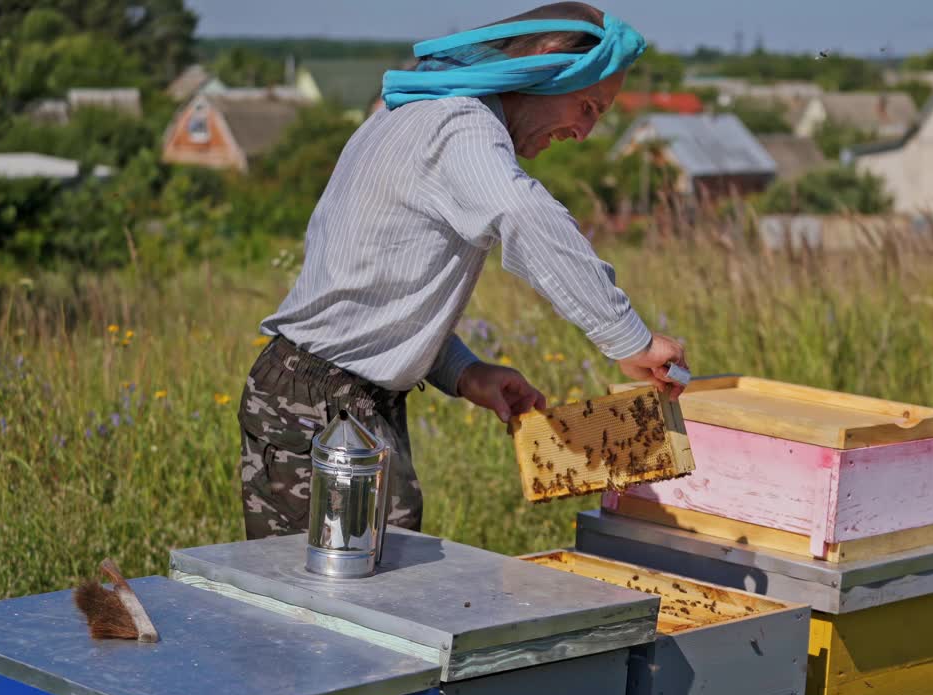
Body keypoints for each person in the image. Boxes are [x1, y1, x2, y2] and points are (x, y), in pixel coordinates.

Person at [235, 2, 688, 541]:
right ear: (545, 66)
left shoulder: (422, 116)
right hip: (318, 404)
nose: (584, 132)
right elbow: (525, 215)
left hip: (331, 398)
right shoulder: (459, 123)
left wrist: (464, 373)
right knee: (337, 604)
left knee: (370, 591)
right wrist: (630, 340)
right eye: (587, 106)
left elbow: (372, 297)